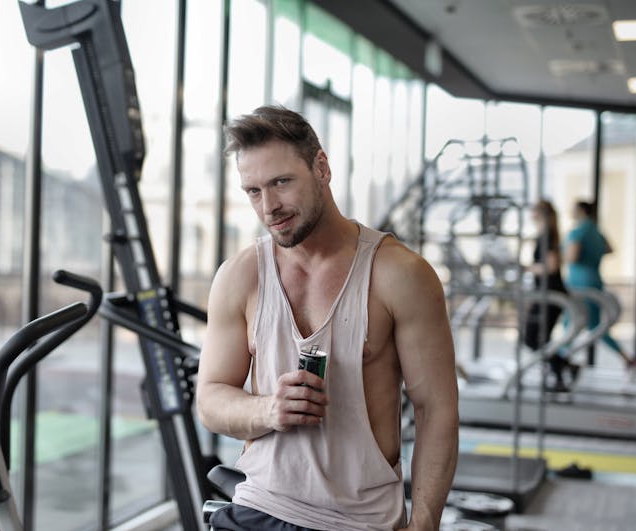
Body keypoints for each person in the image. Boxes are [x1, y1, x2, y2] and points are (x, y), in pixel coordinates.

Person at [196, 105, 458, 531]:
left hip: (360, 520)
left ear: (321, 167)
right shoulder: (239, 275)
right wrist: (268, 410)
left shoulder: (401, 275)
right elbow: (210, 399)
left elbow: (437, 409)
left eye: (281, 182)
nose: (269, 207)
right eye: (253, 191)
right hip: (259, 507)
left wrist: (425, 522)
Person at [564, 200, 636, 370]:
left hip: (579, 282)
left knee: (571, 323)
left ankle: (560, 360)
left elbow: (572, 257)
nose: (571, 212)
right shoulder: (596, 232)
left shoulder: (577, 232)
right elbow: (610, 249)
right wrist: (593, 254)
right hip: (594, 279)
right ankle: (628, 359)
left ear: (582, 211)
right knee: (596, 326)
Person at [523, 200, 569, 390]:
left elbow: (551, 266)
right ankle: (564, 367)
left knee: (534, 338)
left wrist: (527, 268)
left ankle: (562, 371)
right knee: (537, 338)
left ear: (540, 213)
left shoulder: (547, 236)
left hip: (550, 294)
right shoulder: (546, 234)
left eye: (533, 210)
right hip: (546, 294)